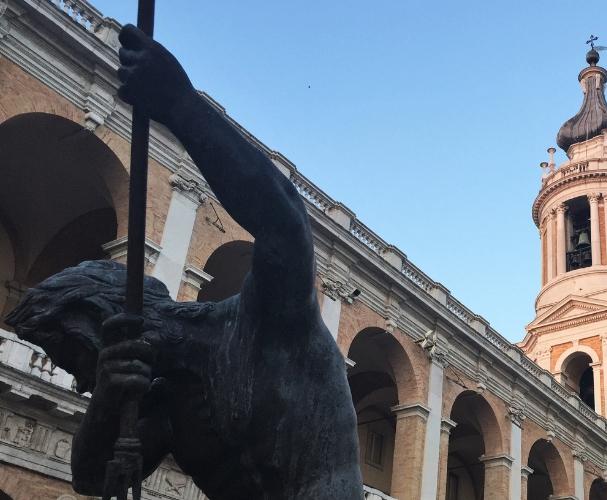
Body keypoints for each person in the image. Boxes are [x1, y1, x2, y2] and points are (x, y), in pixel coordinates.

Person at [5, 24, 362, 499]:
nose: (81, 378)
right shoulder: (171, 403)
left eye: (76, 357)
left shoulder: (265, 321)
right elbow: (92, 481)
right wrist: (108, 402)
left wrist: (179, 105)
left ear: (111, 323)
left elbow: (284, 220)